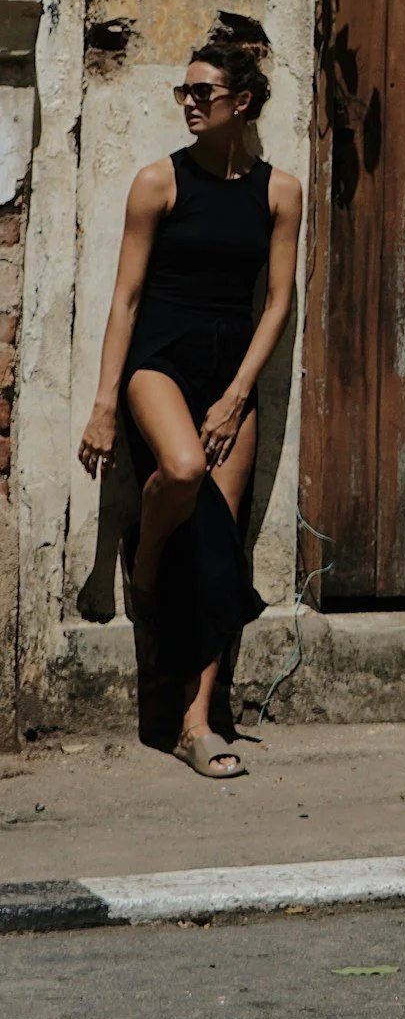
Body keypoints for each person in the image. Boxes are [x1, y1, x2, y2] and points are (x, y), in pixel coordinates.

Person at [76, 42, 303, 777]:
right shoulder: (157, 183)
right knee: (179, 469)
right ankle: (142, 558)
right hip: (158, 364)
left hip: (227, 374)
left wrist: (239, 394)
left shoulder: (279, 192)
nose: (191, 102)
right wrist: (105, 403)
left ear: (243, 103)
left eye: (206, 91)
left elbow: (277, 304)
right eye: (185, 91)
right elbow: (126, 300)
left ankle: (196, 723)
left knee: (218, 547)